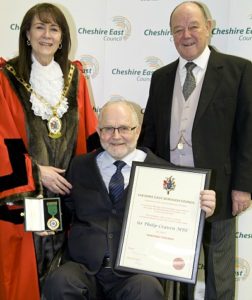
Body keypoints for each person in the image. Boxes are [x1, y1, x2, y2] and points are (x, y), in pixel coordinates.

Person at [42, 100, 216, 300]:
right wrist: (45, 220)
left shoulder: (164, 173)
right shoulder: (79, 166)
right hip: (84, 268)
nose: (116, 136)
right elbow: (64, 209)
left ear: (138, 130)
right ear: (98, 131)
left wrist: (201, 209)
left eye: (124, 128)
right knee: (59, 281)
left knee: (147, 289)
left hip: (135, 272)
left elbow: (181, 221)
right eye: (108, 129)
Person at [139, 1, 252, 299]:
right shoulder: (160, 77)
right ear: (171, 35)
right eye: (178, 29)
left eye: (193, 26)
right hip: (170, 193)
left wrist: (243, 187)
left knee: (220, 275)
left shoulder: (239, 71)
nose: (186, 35)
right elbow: (148, 135)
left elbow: (248, 133)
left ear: (209, 27)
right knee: (175, 274)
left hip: (220, 189)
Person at [0, 3, 99, 300]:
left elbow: (88, 137)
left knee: (62, 282)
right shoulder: (6, 77)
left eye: (54, 28)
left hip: (66, 199)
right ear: (27, 34)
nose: (47, 35)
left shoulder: (76, 78)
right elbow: (3, 138)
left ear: (62, 37)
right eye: (40, 27)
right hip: (24, 200)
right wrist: (36, 173)